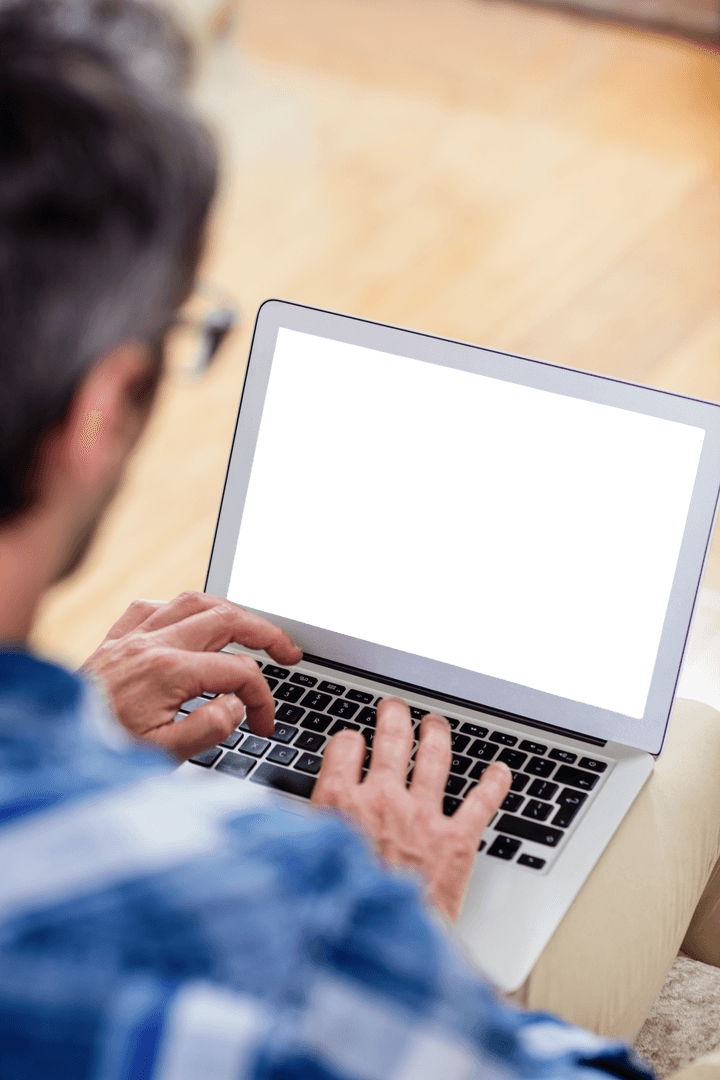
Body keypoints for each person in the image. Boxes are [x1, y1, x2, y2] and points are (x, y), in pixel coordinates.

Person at [1, 1, 718, 1076]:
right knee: (691, 741)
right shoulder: (298, 925)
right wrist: (402, 933)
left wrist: (76, 735)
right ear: (104, 408)